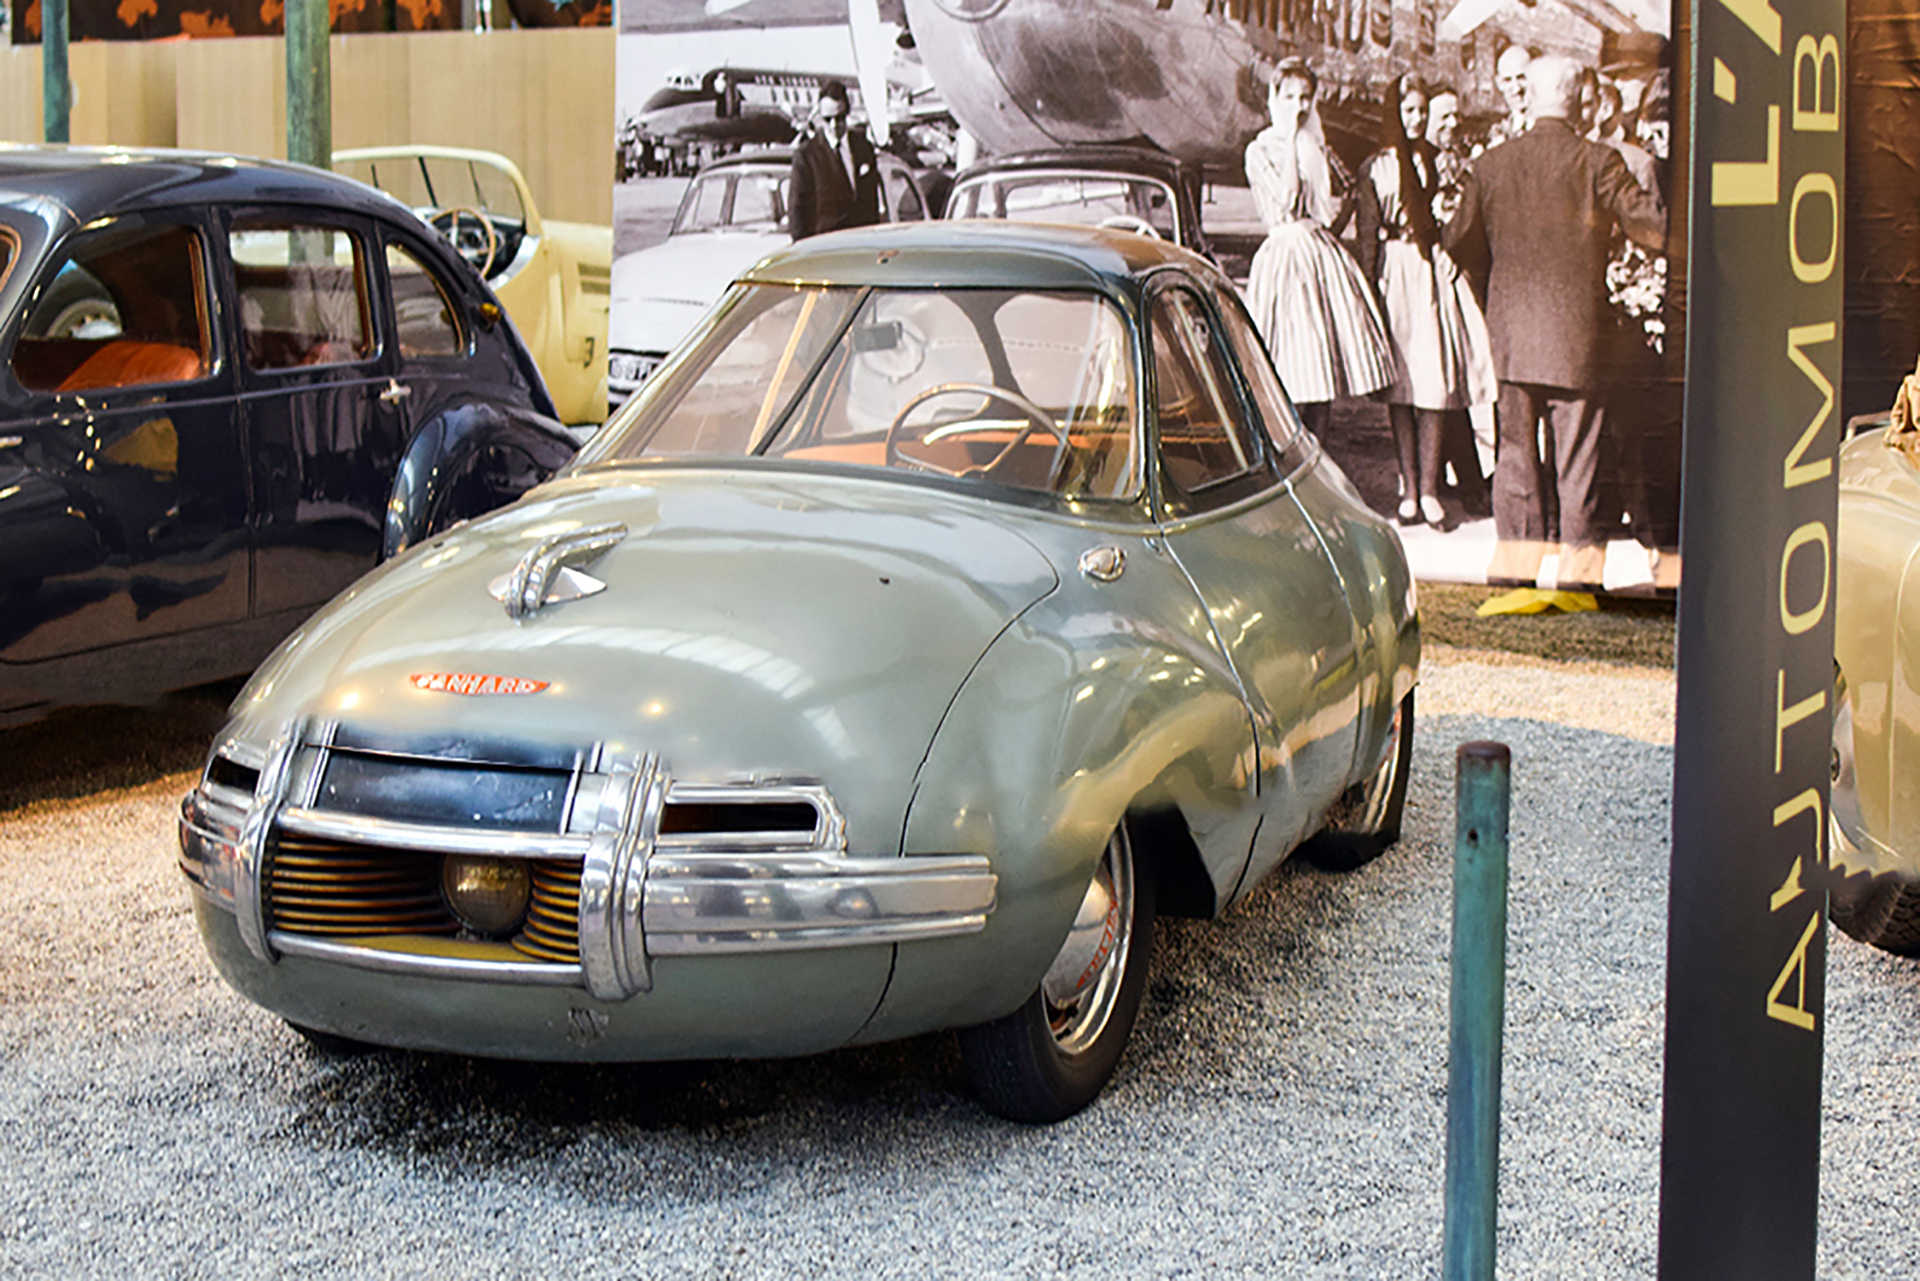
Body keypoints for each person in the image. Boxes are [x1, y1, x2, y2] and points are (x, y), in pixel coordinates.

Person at [1442, 53, 1667, 590]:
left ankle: (1516, 573)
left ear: (1531, 96)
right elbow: (1653, 230)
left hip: (1513, 336)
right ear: (1577, 98)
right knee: (1579, 462)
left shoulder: (1491, 164)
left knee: (1514, 456)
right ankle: (1578, 581)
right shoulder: (1598, 162)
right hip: (1579, 338)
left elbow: (1456, 242)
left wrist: (1494, 287)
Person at [1356, 75, 1496, 527]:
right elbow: (1367, 235)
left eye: (1420, 111)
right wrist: (1371, 285)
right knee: (1402, 389)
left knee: (1433, 383)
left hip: (1432, 273)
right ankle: (1410, 488)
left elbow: (1457, 217)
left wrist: (1450, 252)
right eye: (1408, 111)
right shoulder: (1377, 167)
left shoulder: (1441, 163)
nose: (1415, 120)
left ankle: (1432, 489)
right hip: (1397, 272)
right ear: (1394, 113)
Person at [1243, 56, 1395, 438]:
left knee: (1322, 367)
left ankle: (1320, 449)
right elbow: (1286, 201)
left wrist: (1329, 231)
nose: (1299, 106)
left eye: (1306, 97)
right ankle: (1287, 447)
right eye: (1290, 96)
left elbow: (1347, 191)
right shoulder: (1261, 150)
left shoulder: (1317, 146)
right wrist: (1293, 139)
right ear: (1274, 97)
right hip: (1283, 256)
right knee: (1286, 365)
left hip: (1316, 254)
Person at [787, 80, 883, 240]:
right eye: (827, 119)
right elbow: (798, 216)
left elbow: (872, 204)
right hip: (827, 249)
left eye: (839, 118)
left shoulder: (863, 149)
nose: (834, 125)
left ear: (847, 114)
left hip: (862, 246)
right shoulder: (807, 157)